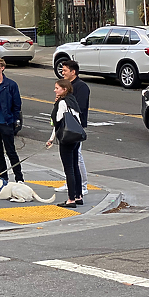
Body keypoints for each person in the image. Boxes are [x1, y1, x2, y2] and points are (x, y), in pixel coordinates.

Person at [46, 79, 84, 208]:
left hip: (66, 139)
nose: (55, 90)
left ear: (64, 89)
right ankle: (79, 196)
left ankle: (71, 199)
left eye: (57, 88)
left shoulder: (62, 103)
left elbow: (57, 121)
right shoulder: (72, 101)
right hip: (75, 138)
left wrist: (56, 105)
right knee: (75, 167)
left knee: (68, 169)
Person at [55, 60, 90, 198]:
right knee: (71, 160)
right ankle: (71, 183)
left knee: (77, 157)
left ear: (73, 72)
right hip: (66, 128)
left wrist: (64, 101)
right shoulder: (67, 88)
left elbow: (79, 108)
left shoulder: (81, 87)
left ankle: (82, 185)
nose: (63, 73)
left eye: (65, 70)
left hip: (75, 128)